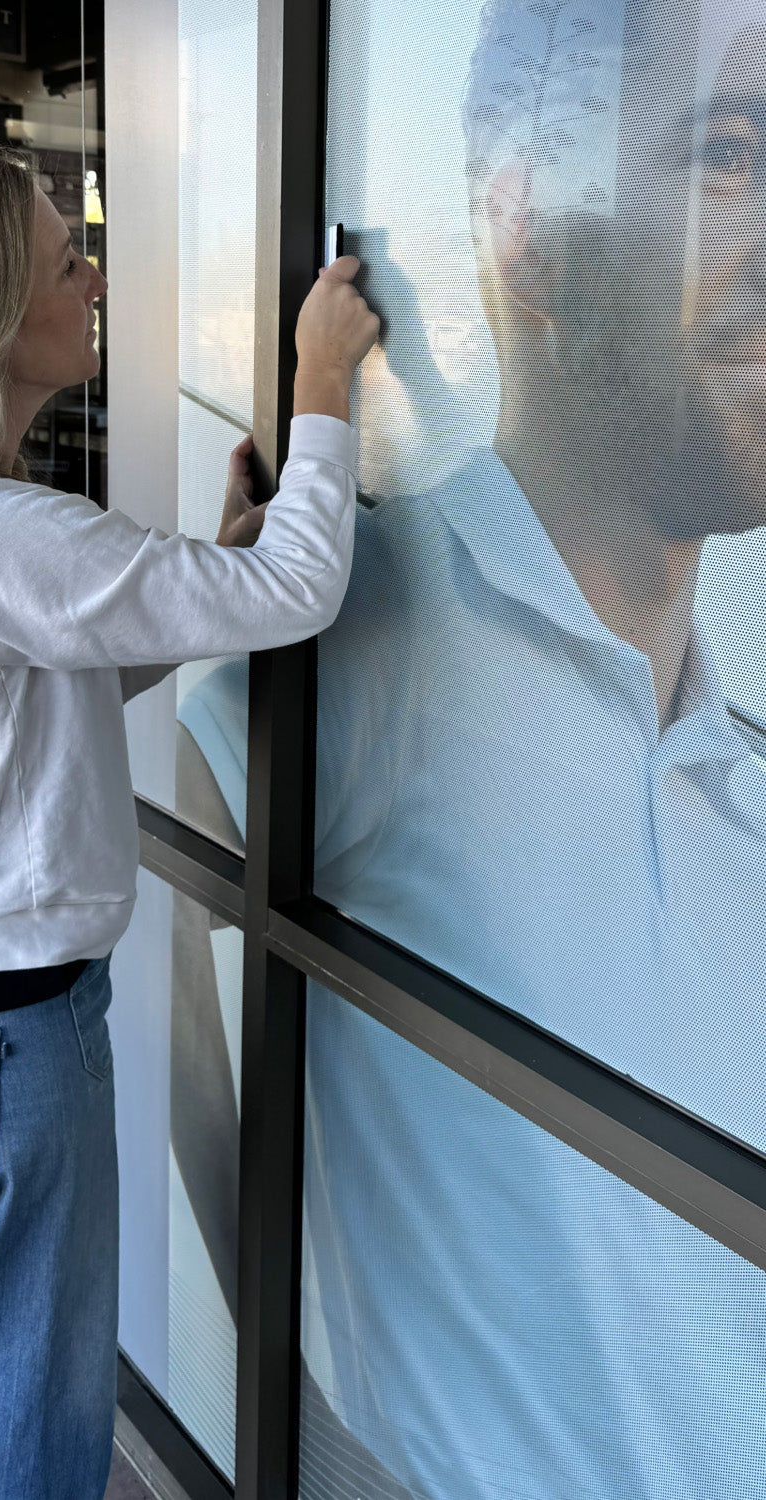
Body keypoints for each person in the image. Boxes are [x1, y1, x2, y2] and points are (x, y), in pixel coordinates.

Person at [173, 1, 766, 1495]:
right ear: (529, 233)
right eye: (729, 149)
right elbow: (173, 934)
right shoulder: (386, 628)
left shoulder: (740, 755)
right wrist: (293, 1400)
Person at [0, 143, 378, 1500]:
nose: (95, 269)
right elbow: (304, 590)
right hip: (7, 1041)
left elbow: (83, 661)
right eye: (67, 256)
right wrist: (325, 380)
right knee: (29, 1429)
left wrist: (211, 566)